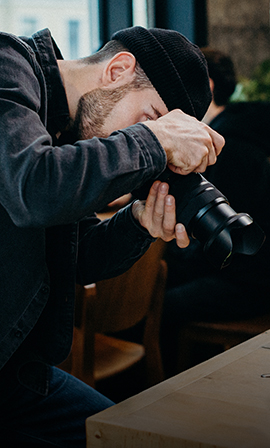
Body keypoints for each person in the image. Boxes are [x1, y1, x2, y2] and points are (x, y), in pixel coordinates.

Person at [0, 26, 224, 446]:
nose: (148, 138)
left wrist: (139, 223)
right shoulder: (7, 64)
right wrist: (154, 141)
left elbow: (77, 258)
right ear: (119, 70)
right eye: (151, 117)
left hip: (15, 376)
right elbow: (32, 188)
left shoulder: (66, 131)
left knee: (138, 438)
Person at [160, 47, 270, 378]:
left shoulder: (221, 149)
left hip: (246, 283)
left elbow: (218, 247)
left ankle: (158, 396)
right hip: (255, 273)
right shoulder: (250, 128)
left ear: (205, 88)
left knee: (154, 305)